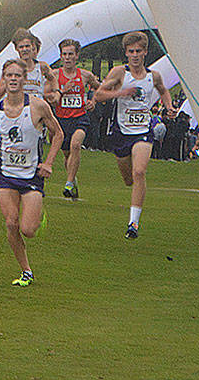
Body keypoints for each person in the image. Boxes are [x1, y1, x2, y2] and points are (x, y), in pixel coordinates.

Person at [0, 59, 63, 286]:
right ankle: (26, 270)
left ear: (25, 79)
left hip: (32, 176)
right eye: (9, 75)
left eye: (18, 75)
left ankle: (38, 216)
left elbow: (58, 134)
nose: (14, 79)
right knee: (11, 223)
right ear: (4, 79)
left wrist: (48, 162)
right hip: (7, 175)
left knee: (28, 230)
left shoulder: (38, 107)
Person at [93, 31, 176, 239]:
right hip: (121, 132)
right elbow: (99, 94)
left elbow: (163, 90)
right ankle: (134, 197)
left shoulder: (153, 75)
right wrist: (119, 93)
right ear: (126, 53)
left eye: (139, 51)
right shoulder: (120, 73)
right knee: (129, 179)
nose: (135, 55)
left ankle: (133, 223)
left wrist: (169, 106)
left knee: (140, 172)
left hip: (143, 131)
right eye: (131, 51)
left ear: (146, 52)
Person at [50, 38, 100, 199]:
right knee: (67, 155)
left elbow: (100, 89)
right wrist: (63, 90)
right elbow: (50, 97)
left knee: (76, 145)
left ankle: (69, 184)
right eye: (64, 54)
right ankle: (73, 179)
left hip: (80, 117)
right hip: (61, 120)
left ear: (77, 56)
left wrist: (93, 101)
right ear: (60, 56)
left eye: (71, 54)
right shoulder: (54, 75)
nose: (67, 57)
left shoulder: (85, 75)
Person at [0, 28, 55, 101]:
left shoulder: (42, 66)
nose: (24, 49)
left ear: (32, 46)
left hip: (37, 109)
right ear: (16, 48)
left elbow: (53, 79)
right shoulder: (11, 68)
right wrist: (9, 82)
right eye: (21, 47)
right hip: (19, 109)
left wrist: (57, 93)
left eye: (27, 46)